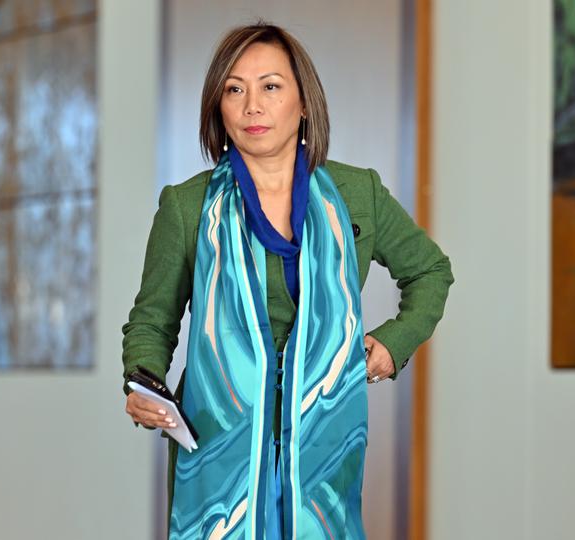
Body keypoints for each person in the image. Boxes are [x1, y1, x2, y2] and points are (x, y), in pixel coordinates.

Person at [122, 21, 453, 539]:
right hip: (216, 444)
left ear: (303, 104)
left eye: (270, 87)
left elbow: (431, 271)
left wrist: (394, 344)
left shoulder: (356, 193)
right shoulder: (186, 207)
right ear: (218, 106)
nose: (252, 105)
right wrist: (142, 382)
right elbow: (152, 320)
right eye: (235, 89)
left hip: (326, 440)